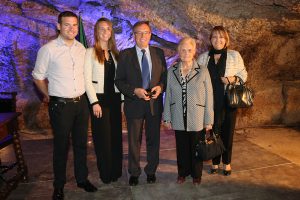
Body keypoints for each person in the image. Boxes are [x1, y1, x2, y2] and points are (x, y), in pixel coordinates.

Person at [32, 11, 97, 200]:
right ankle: (59, 186)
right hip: (61, 106)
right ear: (58, 26)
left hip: (81, 104)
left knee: (81, 145)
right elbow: (37, 77)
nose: (71, 29)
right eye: (67, 25)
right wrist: (49, 95)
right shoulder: (48, 49)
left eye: (75, 25)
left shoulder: (81, 48)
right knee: (61, 147)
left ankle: (82, 179)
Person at [115, 21, 167, 186]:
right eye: (139, 32)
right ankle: (134, 172)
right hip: (134, 103)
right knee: (133, 141)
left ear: (150, 34)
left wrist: (161, 87)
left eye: (146, 32)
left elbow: (164, 77)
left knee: (154, 140)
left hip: (154, 104)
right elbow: (119, 81)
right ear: (134, 35)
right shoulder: (125, 55)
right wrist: (134, 91)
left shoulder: (159, 53)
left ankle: (151, 171)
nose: (143, 36)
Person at [197, 26, 248, 176]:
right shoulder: (204, 57)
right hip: (210, 102)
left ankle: (226, 163)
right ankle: (214, 162)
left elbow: (243, 75)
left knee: (227, 133)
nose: (218, 40)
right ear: (210, 40)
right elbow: (197, 78)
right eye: (214, 37)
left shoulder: (234, 55)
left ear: (226, 40)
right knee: (213, 132)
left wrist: (234, 79)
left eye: (221, 37)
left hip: (228, 101)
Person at [163, 37, 214, 185]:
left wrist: (209, 120)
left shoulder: (203, 70)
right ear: (178, 51)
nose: (186, 53)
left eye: (189, 50)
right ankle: (182, 173)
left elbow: (209, 96)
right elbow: (168, 95)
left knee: (196, 148)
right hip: (178, 115)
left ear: (194, 51)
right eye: (183, 50)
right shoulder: (171, 70)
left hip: (197, 117)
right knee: (182, 148)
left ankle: (196, 175)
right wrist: (167, 117)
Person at [84, 17, 123, 184]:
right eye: (102, 28)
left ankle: (116, 171)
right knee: (102, 139)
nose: (105, 31)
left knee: (115, 137)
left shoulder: (115, 53)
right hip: (99, 101)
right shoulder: (90, 52)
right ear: (96, 31)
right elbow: (86, 80)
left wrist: (122, 101)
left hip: (114, 100)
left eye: (108, 28)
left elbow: (120, 79)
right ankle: (105, 173)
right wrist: (94, 102)